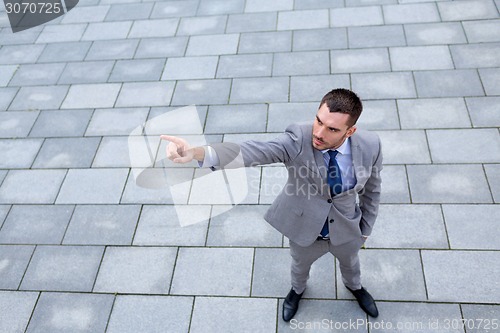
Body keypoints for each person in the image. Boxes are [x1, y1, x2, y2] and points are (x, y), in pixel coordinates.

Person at [161, 88, 382, 320]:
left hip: (348, 229)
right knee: (299, 267)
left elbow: (372, 190)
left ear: (350, 131)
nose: (319, 132)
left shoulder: (370, 145)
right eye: (318, 121)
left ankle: (355, 287)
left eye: (332, 129)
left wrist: (365, 231)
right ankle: (296, 292)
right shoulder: (297, 139)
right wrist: (196, 153)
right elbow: (252, 151)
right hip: (304, 228)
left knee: (351, 264)